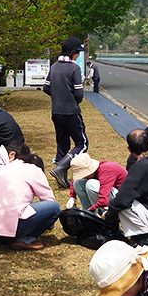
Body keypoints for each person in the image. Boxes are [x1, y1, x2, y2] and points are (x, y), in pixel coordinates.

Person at [0, 152, 60, 251]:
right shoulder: (34, 170)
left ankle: (1, 238)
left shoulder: (3, 168)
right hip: (8, 226)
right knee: (55, 208)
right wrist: (48, 224)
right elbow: (48, 199)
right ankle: (23, 240)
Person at [44, 36, 88, 188]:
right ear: (74, 52)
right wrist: (71, 99)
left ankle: (61, 176)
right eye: (78, 53)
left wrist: (58, 96)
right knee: (82, 143)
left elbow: (46, 88)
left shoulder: (54, 66)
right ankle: (61, 168)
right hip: (71, 111)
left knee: (62, 143)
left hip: (56, 112)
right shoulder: (74, 68)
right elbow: (79, 94)